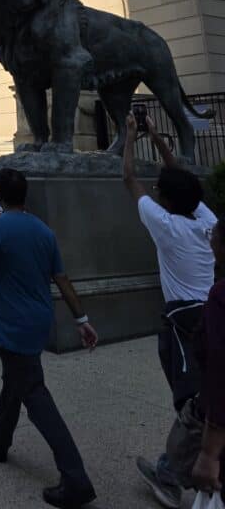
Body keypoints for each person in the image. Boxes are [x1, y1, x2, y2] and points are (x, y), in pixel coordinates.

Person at [0, 167, 98, 508]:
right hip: (39, 321)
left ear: (0, 195)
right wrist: (82, 319)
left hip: (14, 324)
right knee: (15, 380)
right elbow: (62, 279)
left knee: (33, 393)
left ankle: (75, 477)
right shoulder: (43, 231)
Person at [123, 113, 217, 507]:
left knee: (193, 404)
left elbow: (129, 178)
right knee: (204, 398)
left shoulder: (166, 225)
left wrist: (129, 136)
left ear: (166, 199)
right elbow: (181, 179)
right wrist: (160, 143)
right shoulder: (205, 221)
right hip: (212, 312)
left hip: (184, 320)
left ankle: (171, 473)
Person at [192, 214, 225, 497]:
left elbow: (220, 374)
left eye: (213, 237)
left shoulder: (220, 297)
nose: (210, 242)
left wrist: (209, 452)